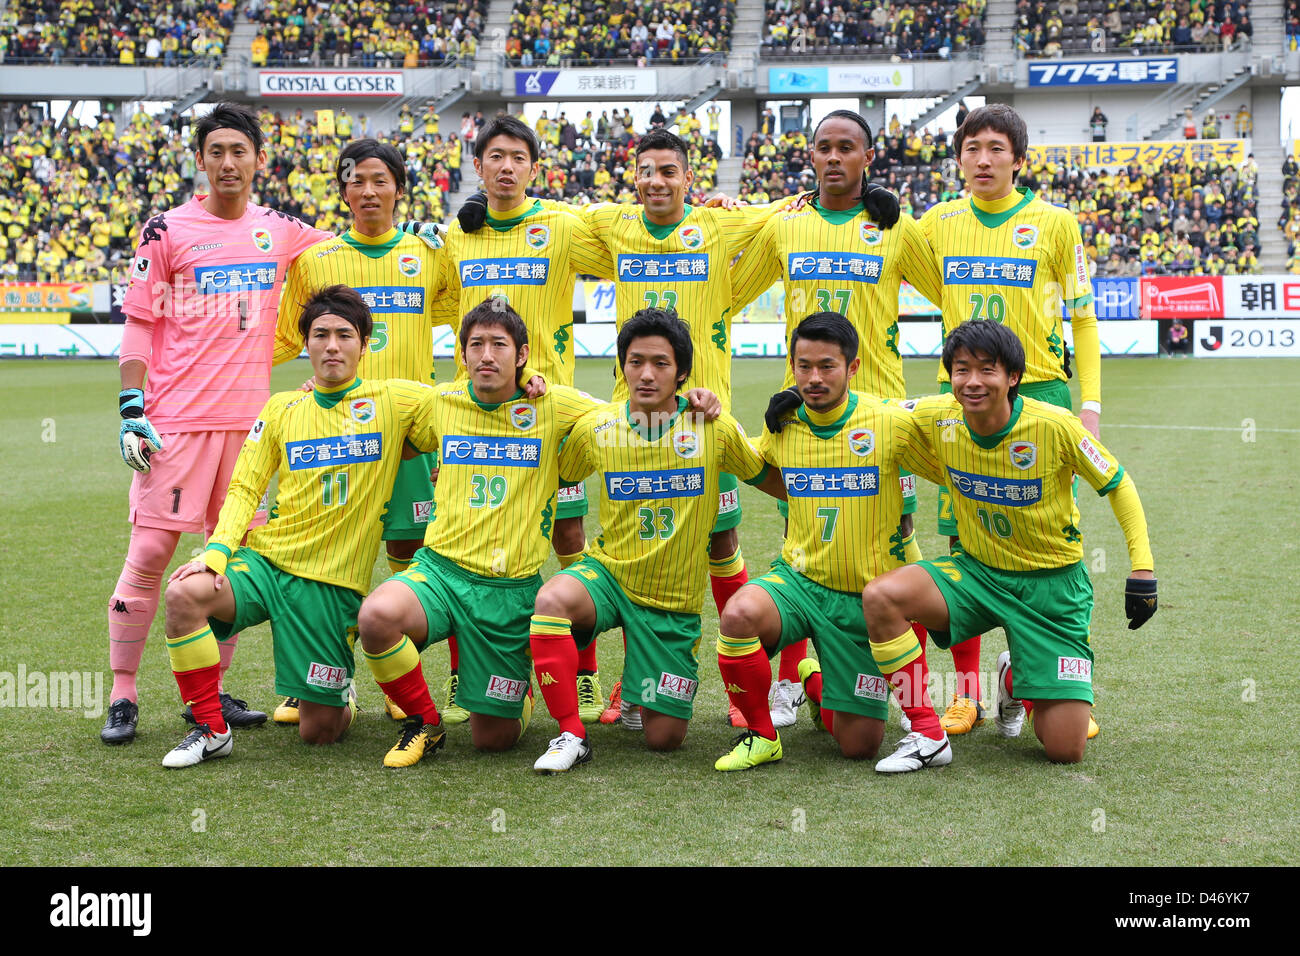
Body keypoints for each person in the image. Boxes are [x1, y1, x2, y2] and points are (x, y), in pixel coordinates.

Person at [350, 302, 718, 765]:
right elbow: (363, 396)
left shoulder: (554, 404)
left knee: (494, 740)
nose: (486, 355)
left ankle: (516, 696)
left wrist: (696, 402)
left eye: (498, 345)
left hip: (510, 590)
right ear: (461, 355)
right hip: (440, 572)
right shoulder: (437, 402)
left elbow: (627, 413)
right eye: (475, 345)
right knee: (377, 616)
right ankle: (424, 721)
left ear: (522, 354)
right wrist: (314, 387)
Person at [103, 103, 333, 746]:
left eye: (241, 151)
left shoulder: (280, 230)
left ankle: (211, 694)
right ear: (200, 160)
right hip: (176, 420)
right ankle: (123, 693)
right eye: (217, 152)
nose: (229, 163)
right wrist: (131, 409)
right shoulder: (166, 229)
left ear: (260, 159)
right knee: (150, 553)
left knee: (223, 562)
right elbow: (141, 324)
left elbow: (352, 252)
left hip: (251, 426)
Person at [157, 285, 441, 766]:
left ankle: (340, 696)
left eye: (345, 335)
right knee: (184, 594)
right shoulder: (282, 409)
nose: (332, 345)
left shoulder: (395, 400)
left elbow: (470, 406)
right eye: (321, 334)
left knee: (319, 733)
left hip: (330, 585)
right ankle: (211, 728)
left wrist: (527, 381)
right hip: (266, 565)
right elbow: (245, 487)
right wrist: (218, 552)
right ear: (306, 344)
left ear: (364, 345)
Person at [862, 320, 1157, 767]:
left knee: (1065, 750)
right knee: (882, 596)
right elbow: (877, 408)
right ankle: (927, 734)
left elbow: (1118, 484)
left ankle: (1014, 678)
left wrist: (1143, 569)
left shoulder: (1055, 425)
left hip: (1052, 590)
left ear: (1013, 377)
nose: (973, 382)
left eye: (987, 370)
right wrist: (804, 401)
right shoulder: (938, 414)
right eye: (962, 370)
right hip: (976, 573)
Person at [575, 129, 796, 723]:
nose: (656, 181)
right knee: (629, 551)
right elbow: (547, 220)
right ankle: (630, 683)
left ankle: (739, 685)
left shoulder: (717, 227)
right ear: (633, 176)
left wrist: (765, 202)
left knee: (721, 543)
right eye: (645, 171)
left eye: (669, 171)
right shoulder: (615, 226)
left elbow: (783, 216)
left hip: (703, 418)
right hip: (632, 423)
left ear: (689, 178)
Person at [730, 109, 942, 727]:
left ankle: (909, 699)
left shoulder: (893, 229)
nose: (832, 157)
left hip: (884, 420)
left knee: (899, 547)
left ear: (867, 158)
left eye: (845, 147)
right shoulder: (786, 224)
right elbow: (729, 289)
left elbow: (949, 290)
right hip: (805, 413)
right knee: (804, 545)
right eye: (822, 147)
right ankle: (794, 682)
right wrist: (716, 212)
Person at [413, 115, 615, 725]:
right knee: (465, 546)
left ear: (534, 167)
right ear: (478, 166)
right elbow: (438, 299)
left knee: (569, 541)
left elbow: (627, 251)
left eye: (517, 157)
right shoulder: (458, 237)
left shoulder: (558, 226)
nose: (505, 166)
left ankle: (583, 676)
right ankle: (462, 677)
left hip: (550, 412)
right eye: (494, 156)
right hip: (475, 417)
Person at [528, 309, 782, 773]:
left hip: (671, 601)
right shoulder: (597, 429)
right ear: (621, 366)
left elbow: (770, 478)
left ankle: (639, 682)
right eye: (635, 361)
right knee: (551, 599)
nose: (646, 374)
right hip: (608, 577)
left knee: (663, 739)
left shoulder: (713, 428)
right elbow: (546, 476)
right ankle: (570, 732)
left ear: (682, 373)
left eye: (661, 364)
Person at [917, 103, 1102, 738]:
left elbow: (1083, 318)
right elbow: (869, 243)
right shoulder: (937, 223)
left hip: (1042, 395)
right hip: (961, 398)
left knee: (1051, 542)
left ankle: (1054, 678)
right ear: (959, 158)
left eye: (997, 148)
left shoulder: (1055, 223)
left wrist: (1090, 407)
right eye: (973, 148)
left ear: (1018, 160)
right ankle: (966, 693)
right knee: (962, 538)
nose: (984, 159)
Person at [712, 313, 947, 771]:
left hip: (864, 601)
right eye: (803, 366)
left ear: (853, 367)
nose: (813, 378)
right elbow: (764, 473)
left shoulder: (887, 422)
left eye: (827, 366)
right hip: (798, 582)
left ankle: (812, 680)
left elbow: (947, 461)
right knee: (738, 614)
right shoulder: (786, 425)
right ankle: (761, 735)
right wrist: (707, 406)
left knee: (858, 746)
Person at [271, 139, 449, 724]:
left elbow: (465, 315)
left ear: (399, 187)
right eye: (355, 181)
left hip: (411, 434)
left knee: (409, 554)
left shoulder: (430, 253)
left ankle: (405, 682)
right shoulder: (317, 260)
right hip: (337, 434)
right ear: (342, 190)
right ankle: (319, 680)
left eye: (380, 180)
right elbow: (296, 335)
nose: (368, 191)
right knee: (325, 559)